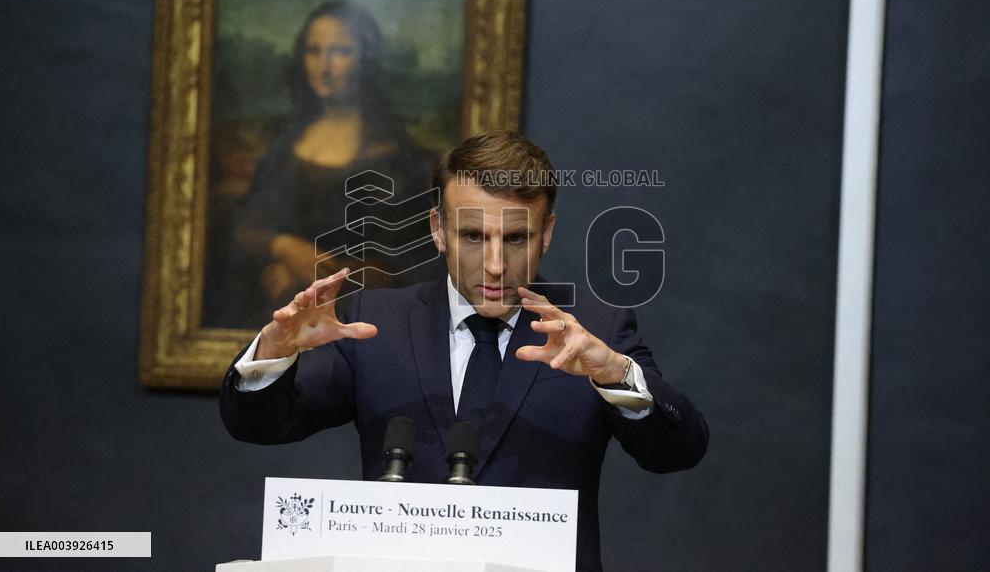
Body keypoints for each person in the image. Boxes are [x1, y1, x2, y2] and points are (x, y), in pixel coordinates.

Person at [220, 131, 709, 571]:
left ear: (547, 235)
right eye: (473, 237)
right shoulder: (377, 323)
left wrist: (613, 373)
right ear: (437, 229)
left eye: (515, 238)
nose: (495, 265)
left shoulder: (594, 330)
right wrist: (273, 352)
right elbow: (259, 425)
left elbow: (677, 451)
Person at [208, 0, 438, 328]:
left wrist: (316, 276)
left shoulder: (393, 157)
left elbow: (409, 261)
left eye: (340, 51)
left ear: (366, 62)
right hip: (271, 316)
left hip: (356, 319)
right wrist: (283, 247)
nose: (324, 66)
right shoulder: (287, 145)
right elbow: (246, 226)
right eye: (314, 51)